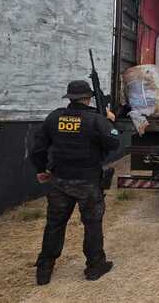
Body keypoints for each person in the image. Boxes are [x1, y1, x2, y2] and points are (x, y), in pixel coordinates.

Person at [30, 80, 120, 285]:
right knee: (92, 224)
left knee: (54, 224)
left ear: (69, 98)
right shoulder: (96, 120)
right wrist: (110, 121)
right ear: (88, 98)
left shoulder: (54, 118)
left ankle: (44, 270)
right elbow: (114, 142)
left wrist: (40, 169)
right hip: (87, 182)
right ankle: (95, 267)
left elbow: (37, 149)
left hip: (59, 180)